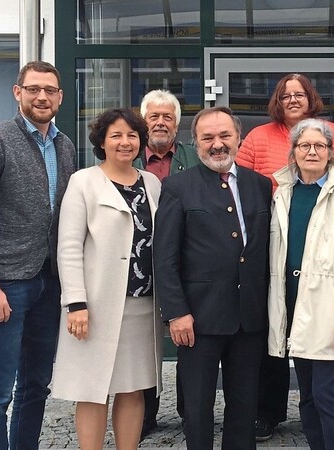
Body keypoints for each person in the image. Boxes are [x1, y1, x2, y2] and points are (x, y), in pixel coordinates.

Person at [0, 60, 76, 449]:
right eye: (34, 89)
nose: (42, 96)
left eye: (50, 90)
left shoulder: (65, 145)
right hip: (5, 285)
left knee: (36, 385)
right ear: (18, 92)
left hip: (47, 283)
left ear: (59, 97)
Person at [235, 72, 334, 441]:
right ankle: (268, 414)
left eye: (299, 93)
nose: (292, 99)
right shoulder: (261, 145)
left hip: (325, 277)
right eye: (285, 94)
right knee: (284, 361)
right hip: (275, 253)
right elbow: (240, 182)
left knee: (324, 391)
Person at [154, 106, 272, 449]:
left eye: (225, 136)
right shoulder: (178, 188)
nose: (217, 144)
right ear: (196, 142)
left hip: (248, 317)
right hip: (197, 319)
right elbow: (165, 257)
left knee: (244, 405)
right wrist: (176, 312)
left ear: (238, 139)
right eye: (208, 138)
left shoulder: (260, 185)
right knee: (197, 407)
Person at [51, 108, 164, 450]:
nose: (124, 142)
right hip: (95, 306)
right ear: (102, 141)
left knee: (133, 387)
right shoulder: (84, 181)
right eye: (115, 135)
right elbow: (68, 246)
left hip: (142, 305)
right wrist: (76, 303)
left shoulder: (153, 183)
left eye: (131, 135)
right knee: (92, 388)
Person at [267, 119, 334, 450]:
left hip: (330, 311)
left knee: (327, 395)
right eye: (304, 146)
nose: (312, 151)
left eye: (319, 146)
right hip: (293, 307)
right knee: (309, 397)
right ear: (294, 152)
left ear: (330, 153)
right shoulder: (283, 193)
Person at [137, 88, 200, 438]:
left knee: (189, 340)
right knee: (143, 343)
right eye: (154, 116)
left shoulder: (193, 157)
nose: (161, 123)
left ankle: (190, 411)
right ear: (143, 121)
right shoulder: (127, 157)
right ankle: (144, 414)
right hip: (139, 267)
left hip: (187, 266)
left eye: (168, 117)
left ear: (177, 124)